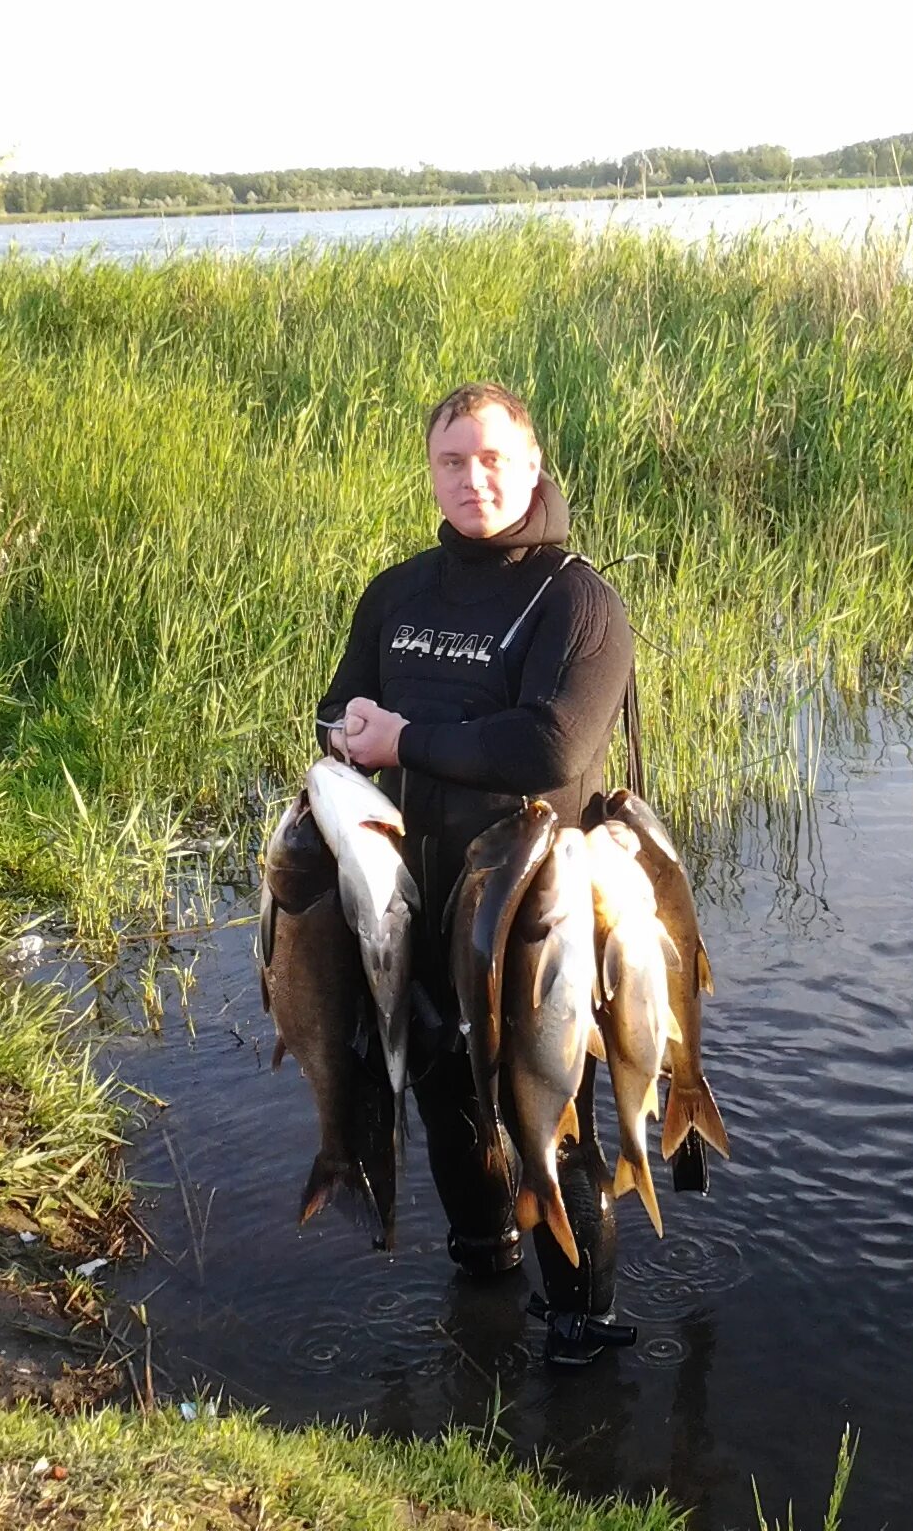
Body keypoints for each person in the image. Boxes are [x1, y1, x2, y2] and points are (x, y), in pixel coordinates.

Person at [316, 381, 637, 1364]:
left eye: (493, 457)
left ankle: (582, 1325)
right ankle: (484, 1274)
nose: (474, 478)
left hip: (534, 913)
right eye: (452, 460)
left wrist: (404, 737)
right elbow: (335, 717)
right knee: (444, 1091)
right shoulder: (396, 592)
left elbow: (548, 746)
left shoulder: (576, 599)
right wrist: (343, 745)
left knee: (546, 1104)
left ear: (532, 464)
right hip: (413, 897)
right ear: (430, 470)